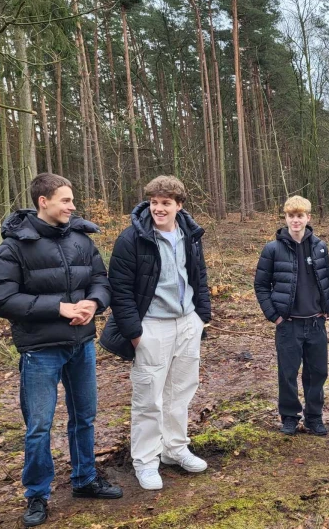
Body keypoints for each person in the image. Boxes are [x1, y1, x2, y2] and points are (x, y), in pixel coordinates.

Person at [0, 173, 122, 528]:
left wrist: (94, 302)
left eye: (72, 200)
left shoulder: (80, 238)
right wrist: (58, 308)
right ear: (43, 201)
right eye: (65, 200)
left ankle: (85, 479)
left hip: (82, 345)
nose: (72, 206)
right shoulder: (14, 245)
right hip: (40, 349)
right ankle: (37, 495)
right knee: (40, 426)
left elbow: (100, 279)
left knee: (85, 417)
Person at [99, 176, 211, 491]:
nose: (159, 208)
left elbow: (199, 275)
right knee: (149, 398)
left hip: (187, 323)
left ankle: (175, 449)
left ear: (179, 205)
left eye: (165, 203)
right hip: (151, 327)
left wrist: (201, 317)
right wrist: (135, 333)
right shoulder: (131, 239)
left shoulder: (191, 234)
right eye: (154, 202)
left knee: (181, 392)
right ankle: (146, 462)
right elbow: (119, 290)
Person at [254, 196, 329, 436]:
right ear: (286, 218)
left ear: (308, 218)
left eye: (300, 216)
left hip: (315, 322)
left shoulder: (320, 247)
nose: (295, 220)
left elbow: (328, 281)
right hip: (288, 324)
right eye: (291, 216)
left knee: (318, 372)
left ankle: (314, 417)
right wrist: (275, 316)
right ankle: (290, 417)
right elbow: (260, 286)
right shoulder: (273, 249)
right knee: (288, 373)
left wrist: (326, 310)